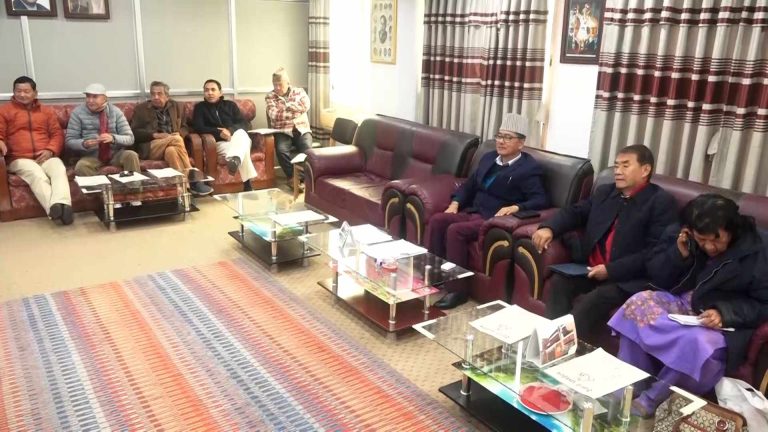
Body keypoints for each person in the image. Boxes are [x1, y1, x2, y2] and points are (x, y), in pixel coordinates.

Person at [608, 194, 768, 416]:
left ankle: (651, 401)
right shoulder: (683, 237)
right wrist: (678, 254)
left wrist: (725, 313)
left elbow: (764, 304)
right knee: (638, 304)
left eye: (716, 239)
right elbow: (657, 276)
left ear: (732, 229)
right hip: (687, 304)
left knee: (696, 341)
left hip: (724, 322)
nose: (709, 247)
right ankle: (627, 385)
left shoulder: (759, 250)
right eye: (702, 239)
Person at [532, 145, 676, 336]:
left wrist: (610, 270)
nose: (618, 171)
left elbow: (654, 253)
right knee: (560, 282)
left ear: (645, 170)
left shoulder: (660, 202)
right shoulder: (606, 193)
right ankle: (550, 339)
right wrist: (549, 227)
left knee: (596, 299)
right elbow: (576, 212)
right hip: (591, 269)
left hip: (627, 277)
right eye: (616, 166)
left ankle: (559, 345)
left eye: (625, 166)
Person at [428, 113, 549, 309]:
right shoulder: (489, 158)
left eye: (508, 137)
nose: (501, 141)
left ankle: (457, 291)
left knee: (455, 231)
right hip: (473, 210)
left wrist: (516, 207)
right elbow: (470, 185)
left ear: (521, 143)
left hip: (492, 219)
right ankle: (436, 275)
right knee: (437, 220)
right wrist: (456, 203)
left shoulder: (528, 168)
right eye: (499, 136)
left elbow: (541, 199)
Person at [0, 76, 73, 225]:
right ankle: (58, 209)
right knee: (36, 174)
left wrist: (50, 150)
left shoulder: (46, 112)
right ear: (13, 92)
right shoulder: (4, 111)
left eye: (26, 91)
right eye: (18, 91)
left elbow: (57, 134)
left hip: (45, 156)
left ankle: (61, 206)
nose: (22, 94)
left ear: (35, 93)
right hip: (19, 158)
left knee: (58, 168)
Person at [130, 81, 212, 196]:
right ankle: (194, 180)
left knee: (172, 151)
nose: (155, 97)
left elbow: (185, 127)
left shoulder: (178, 107)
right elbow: (134, 132)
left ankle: (183, 190)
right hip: (151, 147)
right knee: (177, 139)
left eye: (159, 94)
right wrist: (154, 135)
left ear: (167, 96)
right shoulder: (141, 109)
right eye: (153, 94)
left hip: (173, 144)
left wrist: (179, 133)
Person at [192, 79, 257, 191]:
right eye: (207, 90)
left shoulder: (230, 105)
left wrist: (230, 131)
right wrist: (219, 133)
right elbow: (198, 127)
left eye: (213, 90)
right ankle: (247, 184)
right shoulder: (200, 108)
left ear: (220, 92)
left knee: (241, 133)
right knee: (242, 150)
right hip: (218, 143)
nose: (210, 93)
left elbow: (244, 123)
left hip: (237, 139)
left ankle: (235, 160)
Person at [66, 83, 139, 176]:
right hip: (91, 156)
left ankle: (134, 184)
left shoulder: (116, 112)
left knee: (131, 155)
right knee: (81, 166)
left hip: (115, 154)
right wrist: (84, 144)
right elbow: (70, 140)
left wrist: (113, 138)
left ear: (105, 98)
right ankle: (99, 185)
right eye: (88, 96)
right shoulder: (77, 113)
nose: (90, 100)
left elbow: (130, 138)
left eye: (95, 97)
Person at [265, 68, 311, 187]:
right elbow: (274, 115)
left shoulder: (299, 92)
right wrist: (295, 110)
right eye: (275, 84)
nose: (277, 88)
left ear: (288, 83)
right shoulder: (270, 96)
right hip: (282, 131)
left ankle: (301, 178)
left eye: (280, 84)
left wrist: (286, 109)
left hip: (302, 129)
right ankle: (292, 177)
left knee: (307, 151)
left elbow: (306, 106)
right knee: (281, 151)